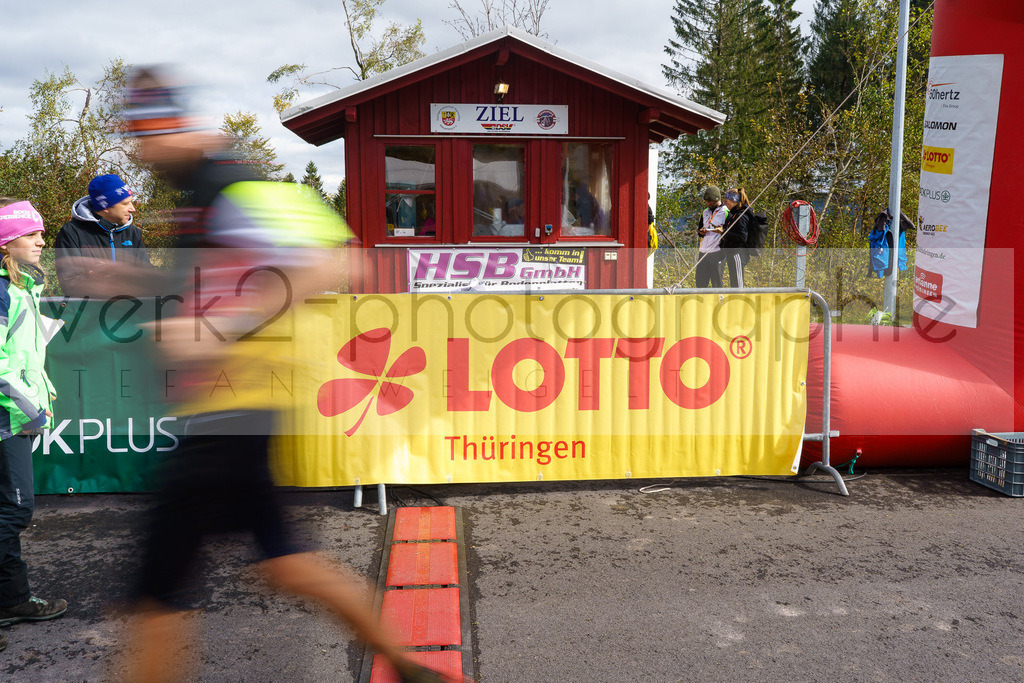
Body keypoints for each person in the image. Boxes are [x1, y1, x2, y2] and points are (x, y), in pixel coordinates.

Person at [117, 67, 450, 683]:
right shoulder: (198, 197)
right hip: (229, 411)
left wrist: (218, 331)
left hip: (227, 411)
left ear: (170, 125)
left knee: (155, 588)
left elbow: (335, 261)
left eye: (141, 131)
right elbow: (212, 286)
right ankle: (406, 665)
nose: (137, 148)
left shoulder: (230, 184)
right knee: (286, 562)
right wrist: (137, 283)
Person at [0, 199, 67, 653]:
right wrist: (31, 410)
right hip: (8, 419)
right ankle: (10, 601)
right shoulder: (4, 291)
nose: (43, 242)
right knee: (14, 511)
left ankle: (12, 600)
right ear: (7, 241)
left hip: (12, 414)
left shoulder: (21, 287)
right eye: (33, 234)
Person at [54, 174, 152, 296]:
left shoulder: (133, 233)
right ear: (105, 206)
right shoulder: (71, 232)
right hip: (90, 314)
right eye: (125, 204)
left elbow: (148, 280)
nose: (133, 209)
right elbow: (70, 283)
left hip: (133, 311)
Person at [696, 185, 728, 288]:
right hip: (703, 251)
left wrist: (722, 231)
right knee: (700, 282)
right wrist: (701, 232)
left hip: (717, 251)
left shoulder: (726, 212)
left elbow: (730, 232)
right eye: (707, 201)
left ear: (717, 199)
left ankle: (718, 303)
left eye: (711, 201)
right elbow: (699, 229)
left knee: (716, 283)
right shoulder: (705, 212)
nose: (708, 203)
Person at [720, 188, 751, 288]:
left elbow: (742, 237)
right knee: (734, 284)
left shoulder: (741, 216)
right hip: (732, 253)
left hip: (737, 253)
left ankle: (740, 302)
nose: (725, 204)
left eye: (726, 201)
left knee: (738, 285)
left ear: (733, 201)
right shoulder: (734, 215)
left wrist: (724, 232)